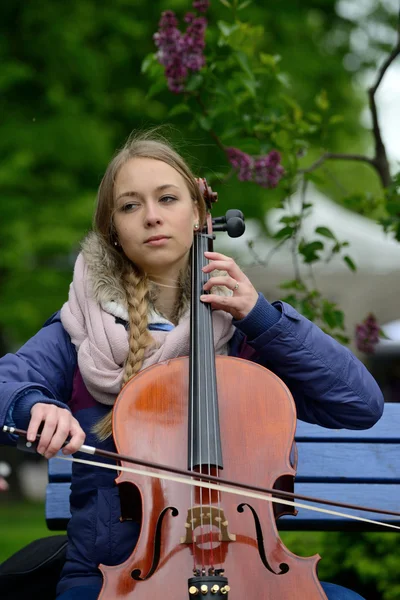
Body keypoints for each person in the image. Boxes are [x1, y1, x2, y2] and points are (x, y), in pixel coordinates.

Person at [0, 132, 383, 600]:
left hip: (251, 570)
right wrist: (32, 406)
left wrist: (263, 317)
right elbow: (7, 382)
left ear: (200, 214)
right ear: (113, 232)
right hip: (113, 577)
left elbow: (360, 405)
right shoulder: (81, 331)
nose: (153, 215)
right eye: (130, 206)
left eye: (167, 198)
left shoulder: (245, 335)